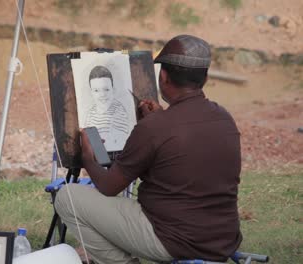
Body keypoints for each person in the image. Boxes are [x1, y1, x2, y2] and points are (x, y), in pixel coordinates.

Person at [55, 35, 242, 264]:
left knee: (67, 197)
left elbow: (108, 186)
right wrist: (159, 122)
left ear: (163, 77)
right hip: (222, 239)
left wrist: (88, 158)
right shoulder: (224, 118)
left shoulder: (155, 127)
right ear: (204, 77)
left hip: (172, 239)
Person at [84, 65, 131, 151]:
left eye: (106, 89)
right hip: (95, 154)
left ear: (113, 90)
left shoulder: (118, 110)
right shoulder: (91, 113)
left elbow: (119, 141)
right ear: (91, 93)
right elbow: (86, 137)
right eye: (96, 90)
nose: (102, 95)